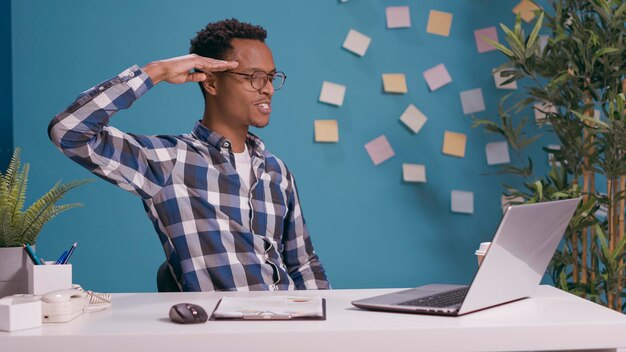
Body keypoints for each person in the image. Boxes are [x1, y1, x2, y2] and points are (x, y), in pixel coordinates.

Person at [48, 18, 330, 292]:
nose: (268, 88)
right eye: (254, 77)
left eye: (270, 77)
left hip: (288, 327)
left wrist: (323, 326)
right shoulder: (169, 161)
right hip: (220, 332)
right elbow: (69, 131)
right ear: (211, 83)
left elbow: (303, 264)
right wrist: (155, 71)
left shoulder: (276, 172)